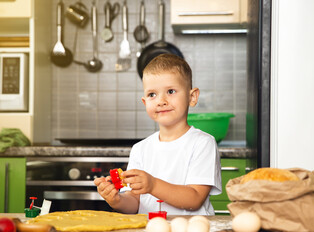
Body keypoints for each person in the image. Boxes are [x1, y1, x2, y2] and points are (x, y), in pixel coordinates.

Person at [94, 53, 221, 215]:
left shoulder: (203, 143)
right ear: (145, 102)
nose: (161, 101)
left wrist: (152, 185)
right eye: (152, 94)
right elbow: (135, 201)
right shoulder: (140, 149)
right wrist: (116, 200)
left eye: (171, 91)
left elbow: (195, 199)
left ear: (192, 97)